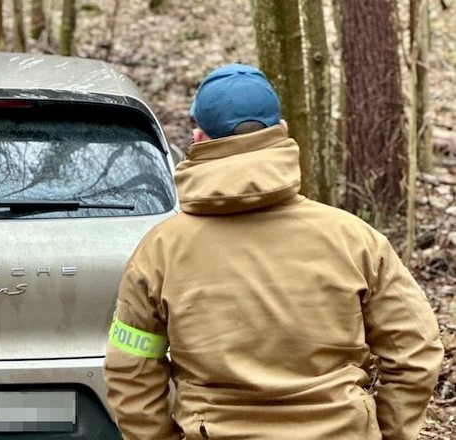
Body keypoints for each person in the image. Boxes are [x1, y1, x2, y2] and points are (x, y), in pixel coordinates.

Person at [103, 63, 443, 440]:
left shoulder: (160, 251)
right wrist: (387, 431)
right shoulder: (354, 239)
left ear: (198, 138)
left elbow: (130, 369)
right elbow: (416, 350)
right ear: (281, 132)